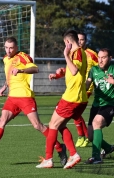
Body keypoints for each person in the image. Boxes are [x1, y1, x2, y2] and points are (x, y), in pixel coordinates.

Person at [0, 36, 67, 167]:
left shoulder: (23, 57)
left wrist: (21, 70)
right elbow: (10, 75)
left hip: (25, 97)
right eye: (6, 47)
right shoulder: (5, 59)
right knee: (1, 120)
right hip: (12, 97)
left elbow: (35, 69)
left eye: (11, 48)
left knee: (37, 125)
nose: (8, 50)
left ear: (16, 48)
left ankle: (60, 148)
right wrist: (4, 86)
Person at [39, 29, 88, 169]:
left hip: (72, 98)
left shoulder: (76, 52)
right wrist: (60, 74)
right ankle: (73, 154)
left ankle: (48, 159)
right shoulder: (79, 53)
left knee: (53, 125)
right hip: (78, 98)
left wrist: (65, 55)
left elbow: (74, 71)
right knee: (60, 125)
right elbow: (74, 72)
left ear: (67, 42)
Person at [52, 32, 98, 148]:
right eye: (79, 39)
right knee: (74, 115)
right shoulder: (74, 52)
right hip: (76, 88)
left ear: (86, 41)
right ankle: (93, 141)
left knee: (72, 114)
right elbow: (71, 70)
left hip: (84, 88)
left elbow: (99, 69)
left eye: (82, 40)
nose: (80, 42)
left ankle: (83, 137)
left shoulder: (90, 54)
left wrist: (95, 82)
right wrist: (59, 74)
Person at [85, 48, 114, 164]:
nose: (100, 60)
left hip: (111, 104)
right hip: (96, 105)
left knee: (96, 123)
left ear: (110, 58)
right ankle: (108, 148)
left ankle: (96, 157)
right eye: (99, 57)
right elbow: (87, 85)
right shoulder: (93, 70)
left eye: (103, 57)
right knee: (89, 136)